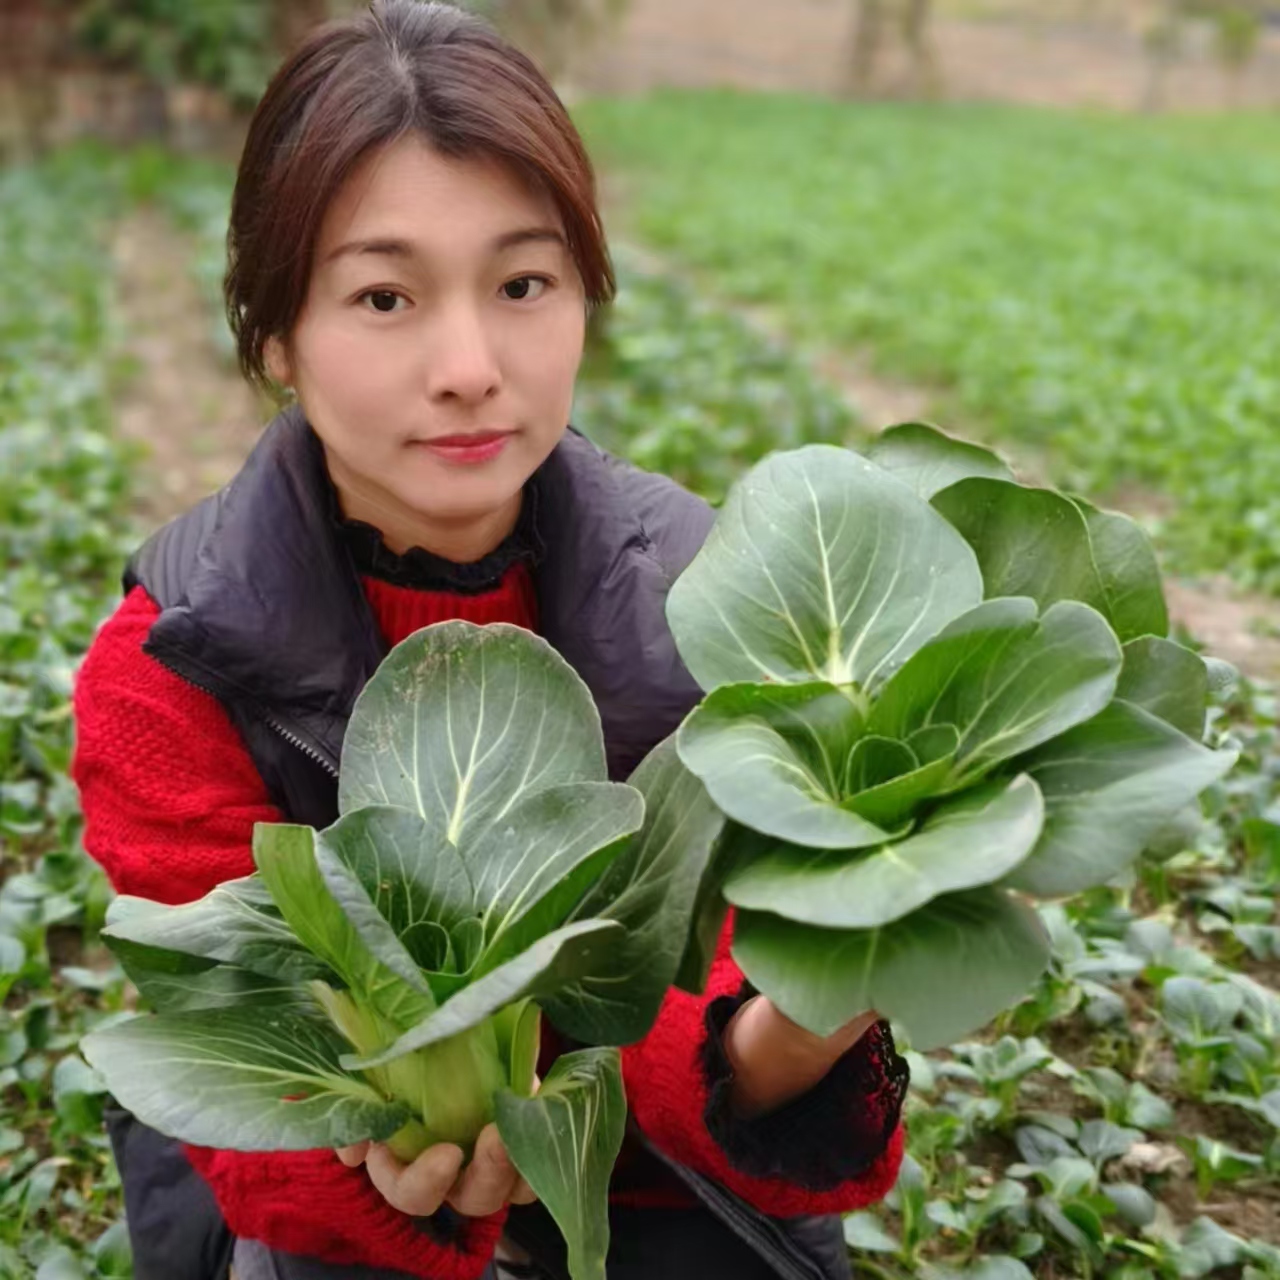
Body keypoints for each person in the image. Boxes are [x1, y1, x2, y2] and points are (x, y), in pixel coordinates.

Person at [71, 4, 910, 1278]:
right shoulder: (172, 668)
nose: (468, 365)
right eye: (384, 295)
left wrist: (787, 1034)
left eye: (522, 284)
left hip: (658, 1166)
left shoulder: (724, 603)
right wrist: (400, 1148)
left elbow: (726, 988)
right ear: (275, 334)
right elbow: (229, 1041)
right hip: (360, 1195)